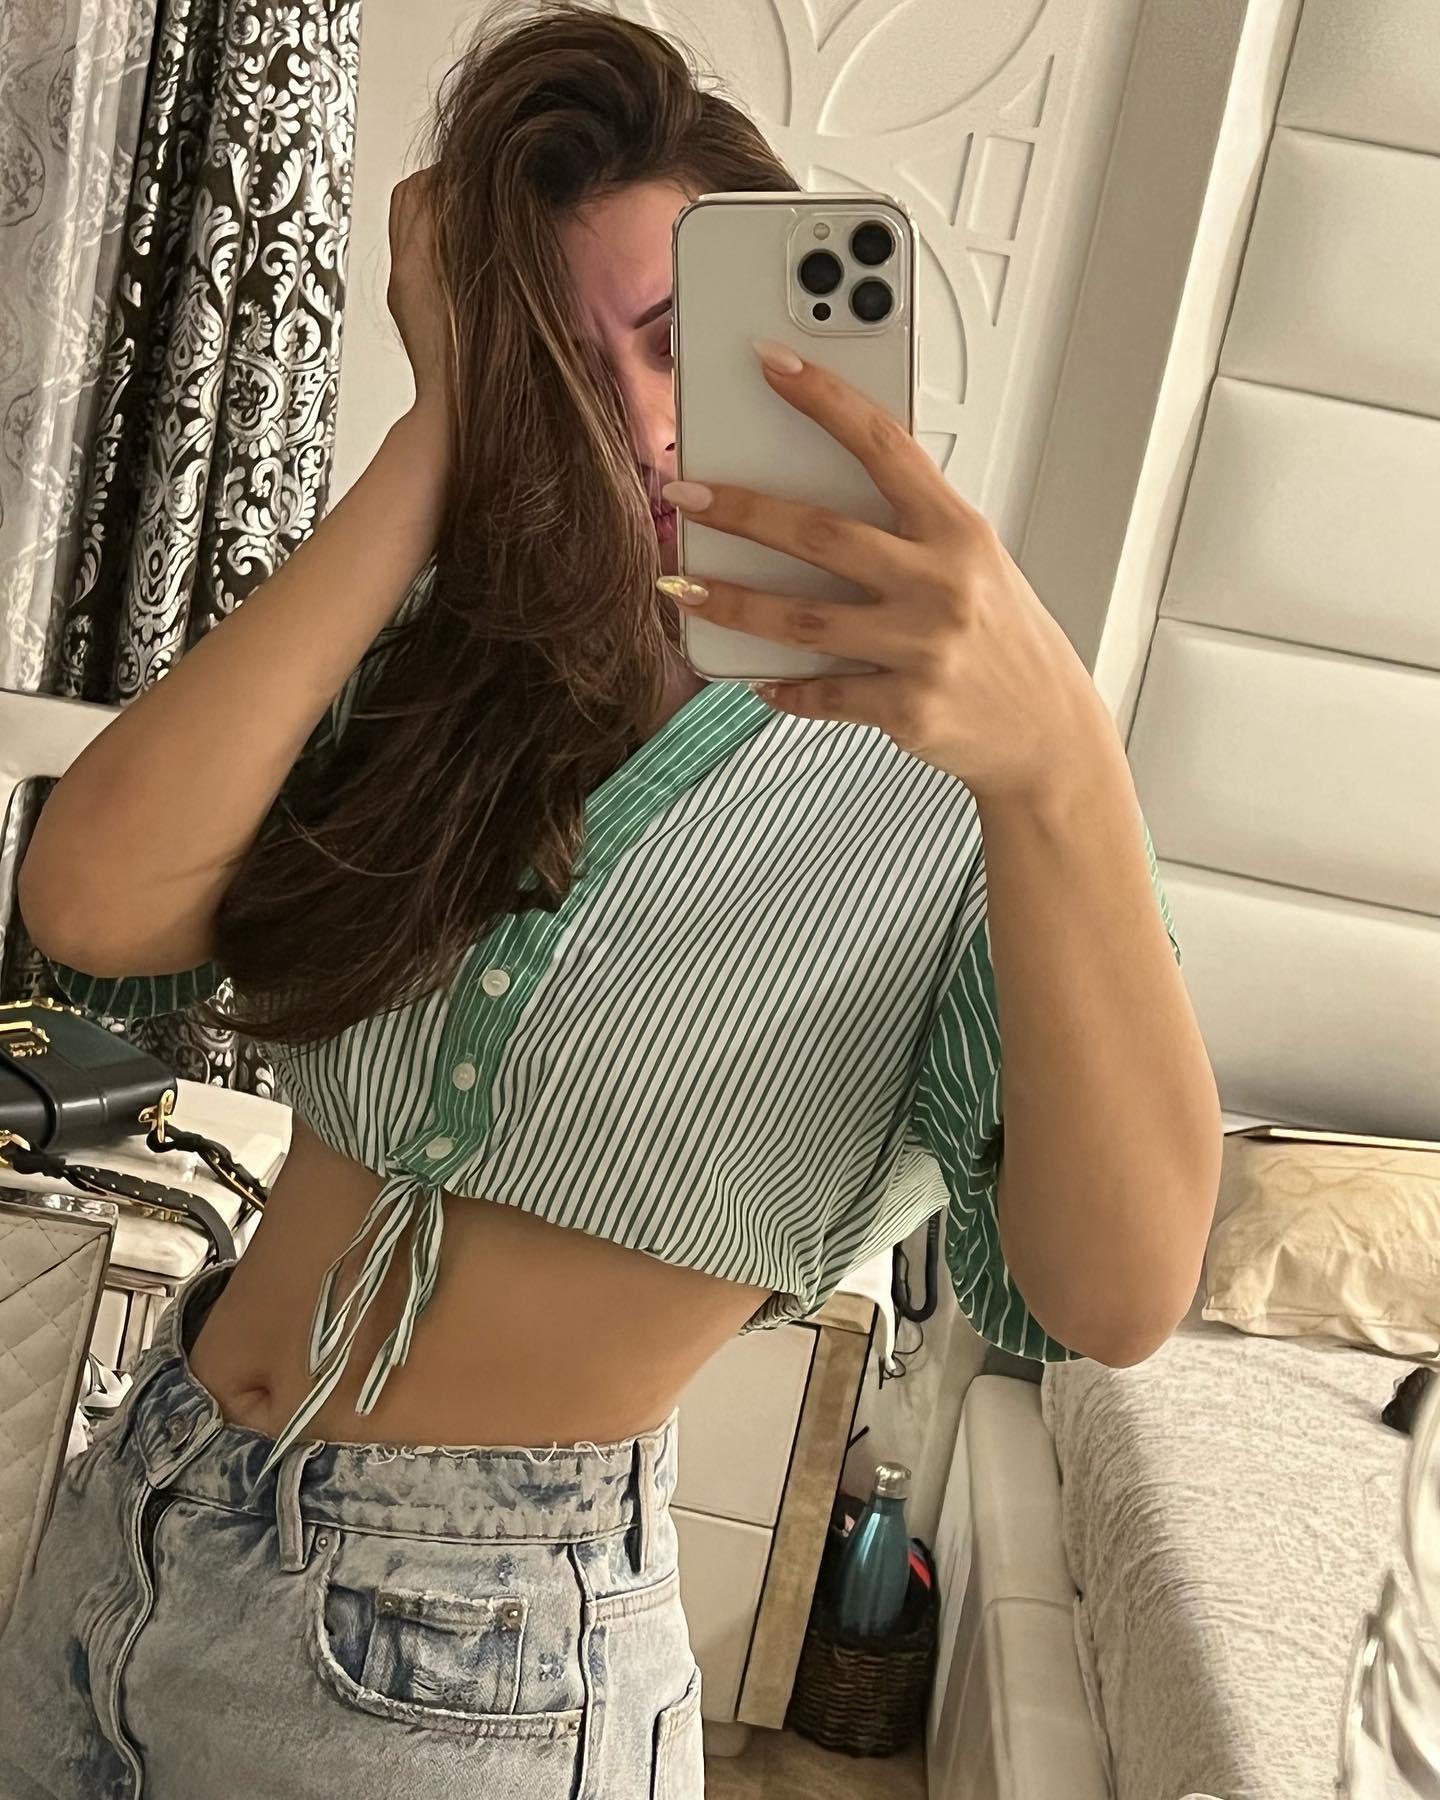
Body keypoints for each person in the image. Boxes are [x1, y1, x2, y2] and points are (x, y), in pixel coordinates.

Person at [0, 5, 1222, 1796]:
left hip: (477, 1670)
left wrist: (1063, 773)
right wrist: (444, 428)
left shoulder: (970, 790)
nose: (641, 425)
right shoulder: (459, 656)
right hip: (137, 1516)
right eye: (565, 371)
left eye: (673, 346)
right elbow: (94, 905)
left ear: (802, 337)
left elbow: (1117, 1296)